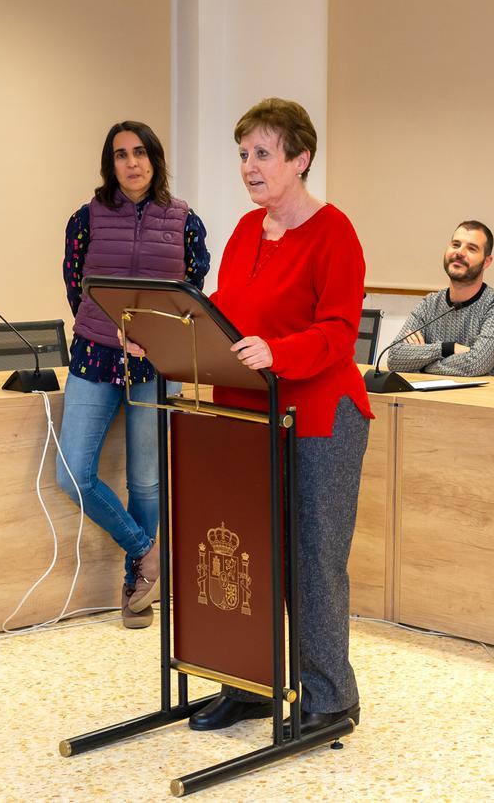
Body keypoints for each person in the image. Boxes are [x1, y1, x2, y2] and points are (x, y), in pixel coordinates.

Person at [187, 98, 373, 734]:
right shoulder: (243, 232)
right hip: (245, 413)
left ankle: (330, 697)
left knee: (313, 558)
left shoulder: (334, 233)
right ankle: (249, 679)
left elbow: (339, 333)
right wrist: (170, 333)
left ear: (301, 159)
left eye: (262, 153)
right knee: (248, 551)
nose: (249, 166)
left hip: (320, 415)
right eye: (243, 155)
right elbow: (225, 310)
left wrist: (278, 351)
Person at [57, 121, 209, 629]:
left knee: (147, 482)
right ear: (110, 164)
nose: (132, 162)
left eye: (140, 152)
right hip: (94, 358)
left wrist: (152, 337)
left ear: (155, 158)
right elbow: (77, 287)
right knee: (72, 474)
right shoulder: (86, 218)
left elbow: (191, 296)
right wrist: (111, 329)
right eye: (121, 154)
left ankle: (136, 587)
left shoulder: (185, 220)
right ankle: (148, 550)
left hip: (157, 366)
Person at [385, 221, 494, 378]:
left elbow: (476, 364)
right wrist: (446, 348)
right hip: (437, 398)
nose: (460, 252)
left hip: (491, 399)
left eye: (471, 248)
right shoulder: (429, 304)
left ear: (486, 262)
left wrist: (421, 365)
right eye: (456, 245)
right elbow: (394, 357)